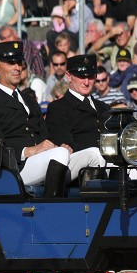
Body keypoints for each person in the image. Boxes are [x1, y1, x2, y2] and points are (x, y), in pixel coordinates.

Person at [0, 41, 68, 195]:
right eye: (11, 63)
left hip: (42, 161)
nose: (17, 67)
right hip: (14, 170)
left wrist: (56, 147)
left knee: (92, 154)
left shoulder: (29, 100)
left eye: (19, 62)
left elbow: (44, 136)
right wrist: (28, 151)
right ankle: (52, 208)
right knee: (61, 155)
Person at [44, 54, 109, 182]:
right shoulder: (58, 107)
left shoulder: (103, 107)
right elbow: (65, 143)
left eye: (90, 77)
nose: (86, 82)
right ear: (69, 76)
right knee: (95, 154)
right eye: (81, 76)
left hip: (108, 162)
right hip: (75, 165)